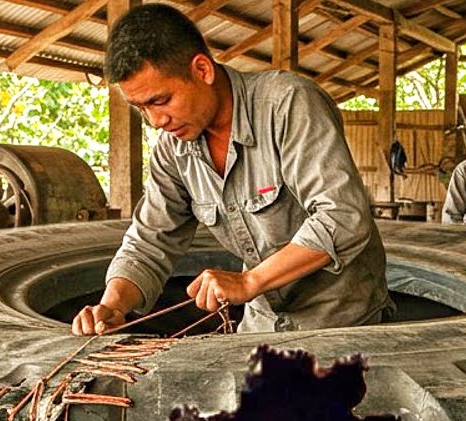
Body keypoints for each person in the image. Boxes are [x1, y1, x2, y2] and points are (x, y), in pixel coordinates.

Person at [72, 4, 393, 335]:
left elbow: (342, 217)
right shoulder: (173, 149)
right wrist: (111, 307)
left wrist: (250, 281)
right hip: (262, 323)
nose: (155, 121)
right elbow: (150, 241)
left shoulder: (288, 104)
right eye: (141, 108)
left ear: (202, 70)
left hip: (342, 323)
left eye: (161, 100)